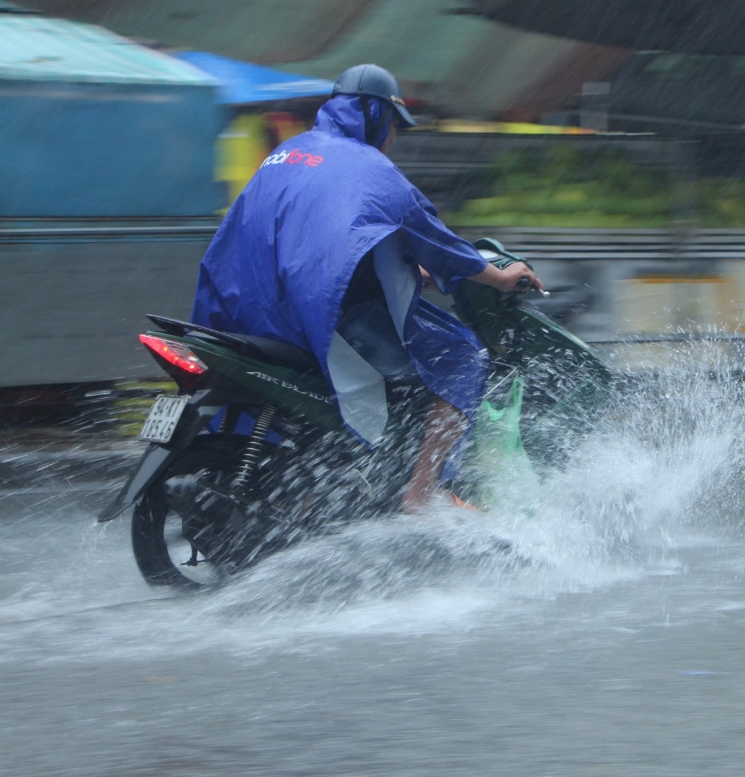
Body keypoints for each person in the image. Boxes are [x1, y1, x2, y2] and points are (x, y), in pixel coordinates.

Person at [191, 64, 542, 513]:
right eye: (393, 125)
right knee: (461, 356)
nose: (393, 137)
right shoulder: (372, 169)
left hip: (251, 309)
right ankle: (422, 493)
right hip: (320, 314)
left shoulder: (289, 153)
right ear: (373, 115)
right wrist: (498, 276)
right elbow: (433, 238)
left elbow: (322, 246)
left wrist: (415, 276)